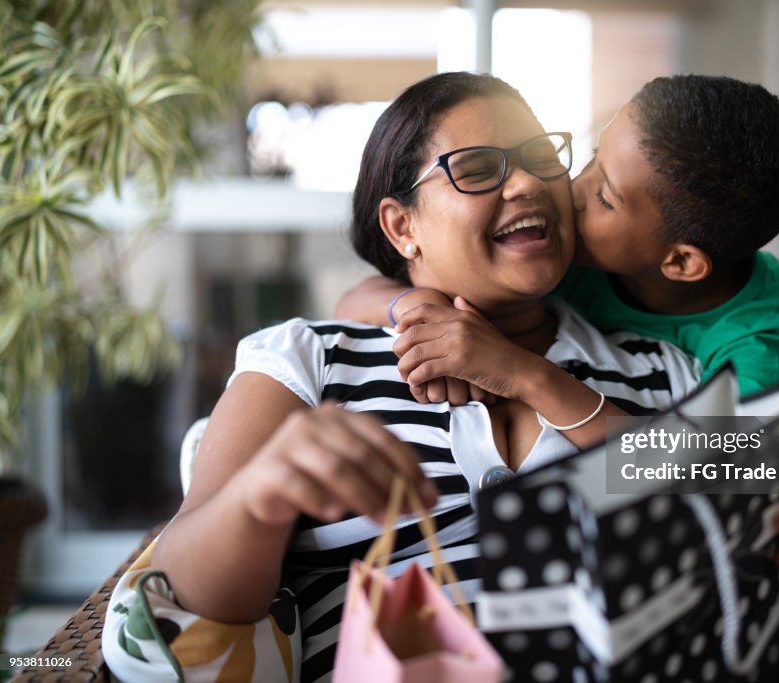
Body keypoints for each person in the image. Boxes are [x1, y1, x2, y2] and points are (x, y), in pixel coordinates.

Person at [105, 71, 702, 683]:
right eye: (475, 169)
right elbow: (182, 593)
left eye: (540, 159)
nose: (526, 182)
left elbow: (775, 474)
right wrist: (262, 495)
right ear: (401, 227)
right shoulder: (307, 359)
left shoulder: (663, 366)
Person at [336, 74, 779, 587]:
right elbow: (357, 297)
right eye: (588, 160)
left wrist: (524, 374)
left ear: (679, 262)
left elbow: (726, 471)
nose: (566, 191)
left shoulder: (756, 336)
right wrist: (420, 308)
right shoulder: (569, 260)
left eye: (603, 195)